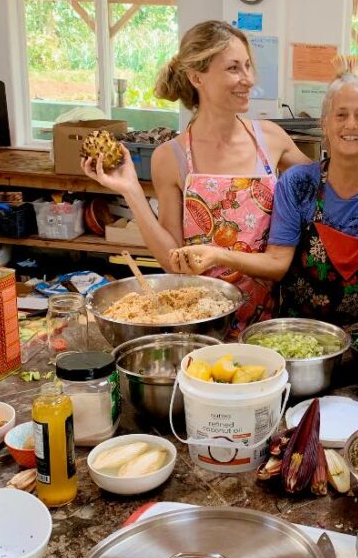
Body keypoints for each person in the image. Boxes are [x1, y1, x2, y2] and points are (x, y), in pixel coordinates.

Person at [82, 20, 308, 336]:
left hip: (268, 324)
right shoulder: (171, 156)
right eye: (233, 68)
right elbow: (172, 260)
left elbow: (323, 186)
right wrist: (131, 190)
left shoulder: (271, 139)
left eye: (247, 66)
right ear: (196, 76)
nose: (248, 79)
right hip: (203, 325)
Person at [171, 60, 358, 325]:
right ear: (324, 123)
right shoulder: (297, 184)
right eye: (341, 115)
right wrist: (215, 254)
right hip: (302, 337)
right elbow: (277, 263)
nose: (351, 124)